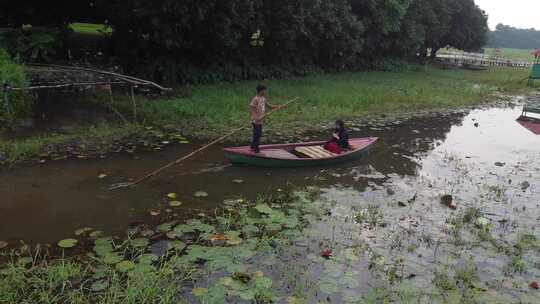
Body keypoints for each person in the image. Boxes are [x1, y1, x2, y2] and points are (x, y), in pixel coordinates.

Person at [250, 84, 279, 153]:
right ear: (260, 91)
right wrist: (255, 117)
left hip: (261, 120)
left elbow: (269, 106)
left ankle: (253, 146)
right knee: (257, 134)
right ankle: (256, 149)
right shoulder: (256, 99)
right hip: (256, 120)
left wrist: (276, 106)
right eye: (264, 90)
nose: (265, 92)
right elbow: (252, 107)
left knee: (258, 134)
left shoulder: (263, 98)